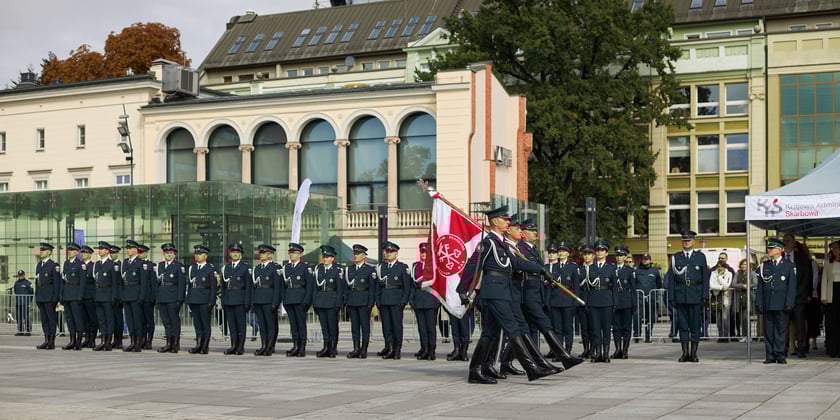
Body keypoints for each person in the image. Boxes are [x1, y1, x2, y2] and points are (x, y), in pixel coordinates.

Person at [460, 205, 556, 384]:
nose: (508, 223)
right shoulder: (488, 243)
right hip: (494, 292)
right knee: (512, 328)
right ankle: (531, 369)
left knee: (490, 332)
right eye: (505, 220)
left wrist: (541, 270)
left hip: (503, 291)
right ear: (496, 222)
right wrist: (463, 291)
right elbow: (473, 266)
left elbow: (517, 263)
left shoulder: (500, 243)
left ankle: (476, 370)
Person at [665, 231, 710, 363]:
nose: (686, 242)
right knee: (683, 326)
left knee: (695, 326)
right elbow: (672, 279)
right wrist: (671, 297)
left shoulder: (700, 257)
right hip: (680, 295)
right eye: (684, 240)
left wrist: (705, 296)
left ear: (693, 242)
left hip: (695, 294)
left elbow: (705, 278)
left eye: (689, 240)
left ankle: (694, 353)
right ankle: (685, 353)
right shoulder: (676, 257)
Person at [756, 238, 798, 364]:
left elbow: (791, 287)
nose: (768, 250)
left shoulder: (789, 266)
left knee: (781, 330)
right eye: (768, 248)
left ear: (780, 250)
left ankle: (780, 354)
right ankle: (770, 355)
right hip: (768, 302)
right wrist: (759, 302)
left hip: (781, 303)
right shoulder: (765, 266)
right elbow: (760, 287)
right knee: (768, 330)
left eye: (771, 248)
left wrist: (789, 302)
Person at [578, 240, 617, 363]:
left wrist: (615, 302)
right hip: (594, 300)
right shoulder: (591, 268)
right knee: (595, 329)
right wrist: (588, 302)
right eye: (598, 250)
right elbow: (588, 288)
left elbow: (615, 287)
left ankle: (605, 353)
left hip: (606, 300)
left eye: (602, 250)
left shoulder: (611, 268)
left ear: (606, 253)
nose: (600, 252)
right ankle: (597, 353)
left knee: (606, 329)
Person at [376, 241, 412, 360]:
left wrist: (403, 301)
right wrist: (378, 300)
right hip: (384, 299)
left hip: (396, 300)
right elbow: (378, 286)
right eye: (387, 251)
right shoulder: (382, 267)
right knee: (386, 326)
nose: (388, 254)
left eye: (391, 252)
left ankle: (397, 350)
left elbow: (407, 286)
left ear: (396, 253)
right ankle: (390, 347)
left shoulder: (402, 267)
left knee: (397, 326)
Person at [545, 242, 579, 355]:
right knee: (557, 328)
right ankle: (559, 351)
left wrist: (575, 301)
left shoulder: (573, 267)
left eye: (563, 251)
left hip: (568, 300)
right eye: (559, 251)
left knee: (568, 328)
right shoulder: (553, 267)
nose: (561, 253)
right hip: (555, 300)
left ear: (568, 253)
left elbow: (576, 286)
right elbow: (549, 286)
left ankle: (568, 350)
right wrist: (548, 301)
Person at [783, 234, 813, 357]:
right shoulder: (779, 257)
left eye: (788, 241)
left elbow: (806, 277)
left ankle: (801, 348)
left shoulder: (802, 258)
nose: (785, 243)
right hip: (783, 298)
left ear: (793, 242)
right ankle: (783, 349)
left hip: (798, 297)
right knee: (784, 326)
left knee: (800, 324)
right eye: (784, 241)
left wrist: (799, 292)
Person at [221, 242, 253, 355]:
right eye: (233, 252)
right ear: (230, 254)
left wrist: (247, 302)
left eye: (237, 252)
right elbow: (223, 287)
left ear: (240, 254)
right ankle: (233, 345)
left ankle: (240, 346)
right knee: (232, 325)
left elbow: (249, 287)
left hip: (240, 299)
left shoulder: (245, 267)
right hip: (229, 299)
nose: (235, 254)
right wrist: (223, 300)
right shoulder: (226, 268)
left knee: (240, 325)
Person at [281, 242, 313, 357]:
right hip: (290, 298)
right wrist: (284, 299)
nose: (291, 255)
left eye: (294, 253)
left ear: (300, 254)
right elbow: (283, 286)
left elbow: (309, 286)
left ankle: (302, 347)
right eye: (290, 253)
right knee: (293, 325)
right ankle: (295, 345)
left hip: (300, 299)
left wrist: (307, 301)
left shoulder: (305, 267)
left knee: (301, 324)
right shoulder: (287, 268)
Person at [345, 244, 376, 359]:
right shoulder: (350, 269)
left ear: (364, 256)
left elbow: (372, 288)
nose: (355, 256)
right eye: (355, 254)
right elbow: (346, 288)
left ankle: (364, 349)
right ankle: (356, 348)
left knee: (365, 326)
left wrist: (370, 303)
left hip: (364, 300)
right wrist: (346, 301)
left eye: (358, 254)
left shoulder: (369, 269)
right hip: (353, 300)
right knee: (355, 327)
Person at [187, 245, 219, 354]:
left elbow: (213, 287)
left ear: (205, 256)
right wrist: (189, 299)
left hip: (205, 299)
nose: (197, 256)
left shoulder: (210, 268)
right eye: (196, 254)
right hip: (194, 298)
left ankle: (205, 345)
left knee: (205, 323)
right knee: (197, 323)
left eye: (200, 254)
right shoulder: (192, 268)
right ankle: (198, 344)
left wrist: (212, 301)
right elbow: (190, 285)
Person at [252, 244, 283, 356]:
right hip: (259, 299)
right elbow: (254, 287)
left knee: (270, 324)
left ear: (270, 254)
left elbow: (277, 287)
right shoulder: (257, 268)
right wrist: (253, 301)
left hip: (269, 299)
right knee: (262, 325)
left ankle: (270, 346)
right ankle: (264, 345)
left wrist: (276, 302)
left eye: (263, 253)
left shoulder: (275, 268)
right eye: (260, 253)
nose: (261, 255)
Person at [313, 245, 344, 358]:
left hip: (332, 300)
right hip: (321, 300)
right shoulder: (319, 269)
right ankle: (326, 346)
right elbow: (315, 288)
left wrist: (338, 303)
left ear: (332, 258)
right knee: (324, 327)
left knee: (332, 326)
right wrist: (315, 302)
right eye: (324, 256)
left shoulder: (337, 270)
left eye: (327, 257)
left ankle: (332, 348)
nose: (324, 259)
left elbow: (340, 289)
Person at [156, 243, 186, 353]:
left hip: (173, 297)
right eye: (166, 253)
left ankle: (175, 344)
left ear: (174, 255)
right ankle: (168, 343)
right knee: (166, 322)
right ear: (163, 254)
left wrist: (180, 299)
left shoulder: (179, 266)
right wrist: (157, 298)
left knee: (174, 321)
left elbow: (182, 284)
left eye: (170, 253)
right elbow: (157, 283)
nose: (168, 255)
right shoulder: (160, 266)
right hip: (162, 296)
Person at [120, 240, 149, 352]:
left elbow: (143, 282)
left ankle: (138, 342)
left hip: (136, 294)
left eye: (130, 248)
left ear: (136, 250)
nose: (128, 250)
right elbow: (122, 281)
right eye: (127, 248)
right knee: (130, 320)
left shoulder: (141, 263)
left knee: (137, 320)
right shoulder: (125, 262)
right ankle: (132, 341)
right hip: (126, 294)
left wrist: (141, 296)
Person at [412, 242, 438, 360]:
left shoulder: (433, 266)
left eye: (425, 252)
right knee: (421, 327)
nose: (423, 255)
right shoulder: (415, 266)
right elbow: (414, 282)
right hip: (419, 298)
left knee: (430, 327)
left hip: (430, 298)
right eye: (422, 252)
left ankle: (432, 351)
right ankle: (425, 348)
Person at [35, 242, 61, 350]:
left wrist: (56, 298)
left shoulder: (54, 265)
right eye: (41, 250)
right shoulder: (39, 265)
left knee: (51, 319)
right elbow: (37, 282)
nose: (41, 252)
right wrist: (36, 295)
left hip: (50, 297)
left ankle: (51, 341)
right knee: (44, 320)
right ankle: (46, 339)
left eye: (43, 250)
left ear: (49, 252)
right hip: (41, 295)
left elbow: (57, 283)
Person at [93, 242, 119, 351]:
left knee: (109, 319)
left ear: (108, 251)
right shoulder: (97, 264)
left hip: (108, 295)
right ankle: (103, 340)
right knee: (101, 320)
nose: (99, 250)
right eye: (99, 249)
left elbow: (115, 283)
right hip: (99, 295)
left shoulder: (112, 265)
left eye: (102, 249)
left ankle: (108, 341)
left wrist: (113, 297)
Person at [612, 247, 637, 359]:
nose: (619, 258)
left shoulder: (629, 271)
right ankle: (617, 349)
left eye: (621, 256)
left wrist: (634, 303)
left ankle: (625, 350)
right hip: (614, 300)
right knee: (616, 327)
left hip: (626, 300)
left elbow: (633, 288)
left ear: (625, 257)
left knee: (626, 327)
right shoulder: (611, 269)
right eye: (617, 255)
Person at [60, 242, 86, 351]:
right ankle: (72, 340)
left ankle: (79, 341)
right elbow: (63, 281)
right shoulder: (66, 263)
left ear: (76, 252)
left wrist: (80, 295)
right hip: (67, 294)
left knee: (77, 319)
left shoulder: (81, 264)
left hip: (75, 294)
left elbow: (83, 282)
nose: (69, 252)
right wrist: (61, 295)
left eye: (71, 250)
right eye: (68, 250)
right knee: (69, 319)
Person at [634, 254, 662, 343]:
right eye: (644, 259)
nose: (645, 261)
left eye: (647, 259)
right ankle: (637, 334)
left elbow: (659, 284)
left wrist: (654, 292)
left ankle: (648, 334)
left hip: (651, 296)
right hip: (639, 296)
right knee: (637, 315)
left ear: (650, 260)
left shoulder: (655, 271)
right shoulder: (637, 271)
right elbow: (634, 283)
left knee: (650, 317)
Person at [821, 241, 840, 357]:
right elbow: (824, 279)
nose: (835, 250)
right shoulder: (828, 262)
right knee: (833, 322)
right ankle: (833, 349)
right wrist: (823, 296)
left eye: (837, 248)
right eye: (833, 248)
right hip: (832, 293)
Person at [137, 244, 157, 350]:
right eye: (138, 252)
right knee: (141, 321)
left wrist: (154, 297)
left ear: (146, 253)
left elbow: (153, 283)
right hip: (139, 296)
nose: (139, 254)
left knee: (149, 321)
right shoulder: (137, 264)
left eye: (141, 252)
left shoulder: (151, 265)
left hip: (148, 297)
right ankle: (142, 339)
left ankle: (149, 340)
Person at [710, 261, 733, 343]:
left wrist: (719, 278)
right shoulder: (713, 273)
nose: (720, 268)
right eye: (718, 266)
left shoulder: (729, 274)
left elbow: (727, 286)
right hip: (717, 297)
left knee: (725, 318)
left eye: (722, 266)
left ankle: (726, 336)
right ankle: (720, 336)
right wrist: (720, 287)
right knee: (719, 319)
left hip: (726, 298)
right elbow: (711, 285)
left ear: (725, 267)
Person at [79, 245, 98, 348]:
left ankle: (92, 339)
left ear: (90, 254)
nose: (83, 254)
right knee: (84, 319)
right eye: (82, 252)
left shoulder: (93, 266)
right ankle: (86, 338)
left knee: (92, 319)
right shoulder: (79, 265)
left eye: (85, 253)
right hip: (81, 296)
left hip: (90, 296)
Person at [109, 245, 125, 350]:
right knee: (112, 319)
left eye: (114, 253)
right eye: (111, 253)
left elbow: (121, 282)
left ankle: (119, 340)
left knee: (118, 319)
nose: (112, 255)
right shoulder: (109, 264)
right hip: (109, 295)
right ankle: (114, 339)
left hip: (119, 296)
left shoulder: (121, 265)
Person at [806, 254, 822, 352]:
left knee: (813, 320)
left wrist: (811, 291)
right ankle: (805, 341)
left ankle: (814, 340)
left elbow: (815, 278)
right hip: (804, 295)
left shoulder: (813, 263)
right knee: (805, 320)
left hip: (813, 295)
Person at [732, 259, 750, 341]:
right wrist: (743, 286)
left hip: (748, 298)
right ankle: (744, 336)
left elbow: (755, 283)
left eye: (745, 264)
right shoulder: (737, 273)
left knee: (746, 318)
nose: (743, 266)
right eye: (742, 264)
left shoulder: (751, 273)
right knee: (742, 318)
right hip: (739, 298)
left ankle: (748, 336)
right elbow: (733, 284)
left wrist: (748, 286)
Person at [13, 270, 34, 336]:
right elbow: (15, 291)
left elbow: (31, 292)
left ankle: (28, 331)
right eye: (19, 275)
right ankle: (20, 331)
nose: (20, 276)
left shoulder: (28, 283)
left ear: (24, 275)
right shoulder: (16, 283)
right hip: (18, 303)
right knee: (19, 317)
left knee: (26, 317)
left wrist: (29, 301)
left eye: (21, 275)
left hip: (25, 303)